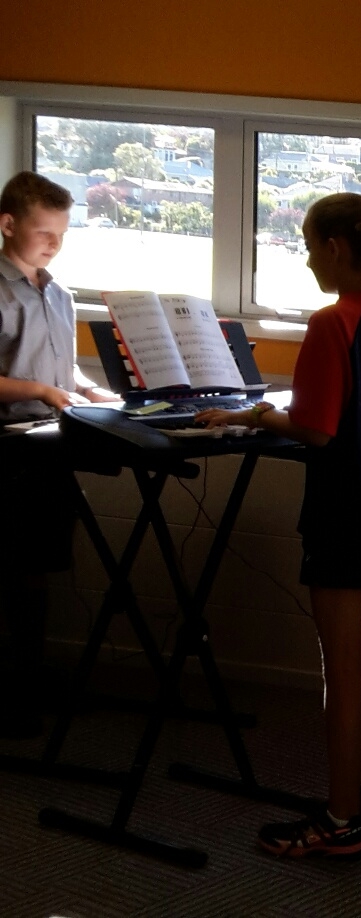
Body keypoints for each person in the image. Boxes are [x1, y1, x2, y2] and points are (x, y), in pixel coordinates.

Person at [199, 193, 361, 858]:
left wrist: (253, 415)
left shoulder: (332, 323)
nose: (307, 261)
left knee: (343, 667)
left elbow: (316, 429)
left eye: (309, 247)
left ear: (335, 248)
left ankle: (339, 821)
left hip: (345, 511)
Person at [0, 172, 120, 739]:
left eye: (62, 234)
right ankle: (12, 692)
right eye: (44, 232)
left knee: (41, 566)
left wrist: (92, 392)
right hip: (7, 445)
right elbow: (29, 379)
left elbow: (61, 366)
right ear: (8, 225)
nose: (55, 244)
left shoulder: (60, 294)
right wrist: (42, 392)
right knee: (11, 568)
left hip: (51, 443)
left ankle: (30, 675)